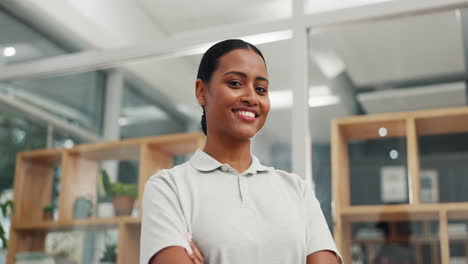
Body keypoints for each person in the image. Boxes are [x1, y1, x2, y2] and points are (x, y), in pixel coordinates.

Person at [140, 39, 342, 264]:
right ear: (201, 91)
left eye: (261, 89)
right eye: (235, 83)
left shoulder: (297, 190)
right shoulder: (169, 188)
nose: (251, 97)